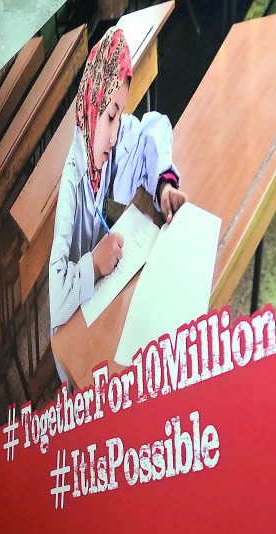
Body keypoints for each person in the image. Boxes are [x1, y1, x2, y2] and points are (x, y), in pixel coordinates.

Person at [48, 26, 188, 379]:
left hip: (108, 303)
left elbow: (151, 133)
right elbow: (56, 303)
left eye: (119, 114)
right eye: (110, 115)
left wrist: (164, 186)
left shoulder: (108, 142)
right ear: (91, 105)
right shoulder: (71, 183)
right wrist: (94, 264)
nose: (113, 136)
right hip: (76, 332)